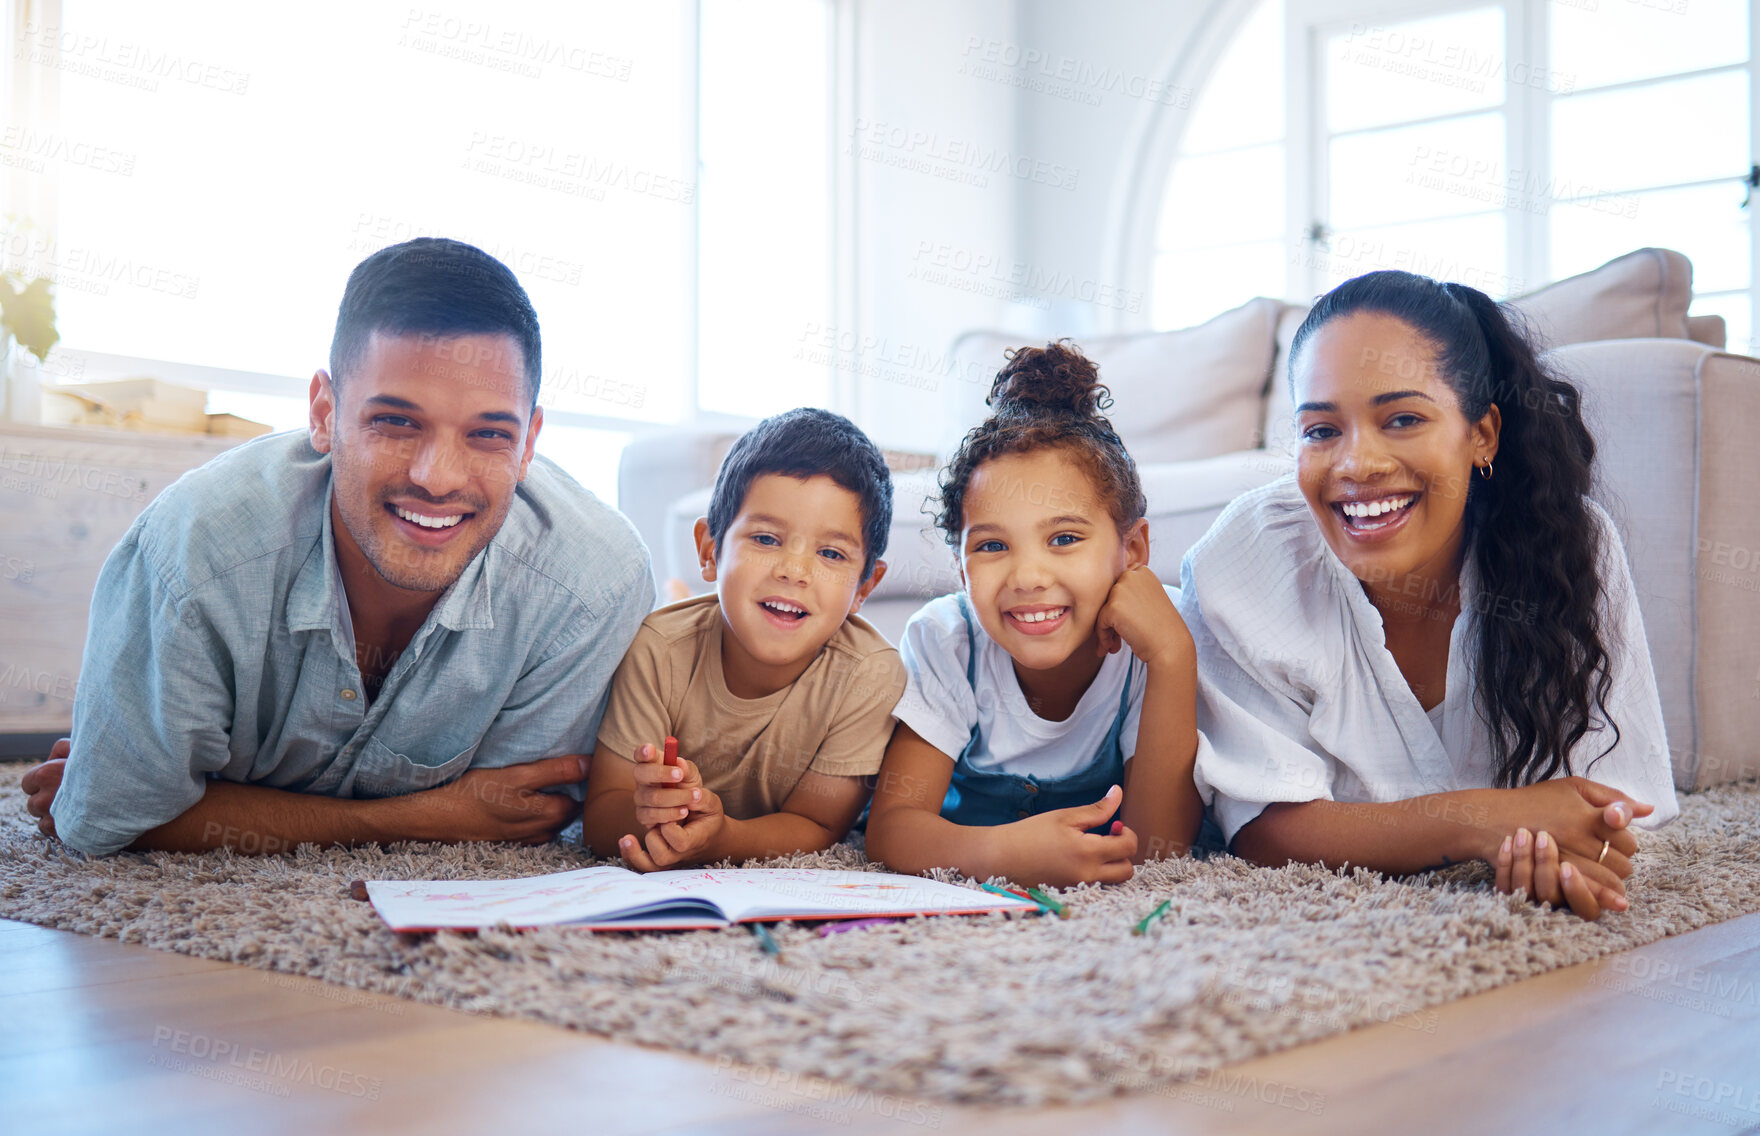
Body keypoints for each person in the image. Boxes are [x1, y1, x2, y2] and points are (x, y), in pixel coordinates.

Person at [21, 237, 653, 855]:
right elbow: (111, 819)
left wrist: (204, 798)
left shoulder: (594, 582)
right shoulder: (197, 553)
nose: (437, 477)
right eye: (397, 422)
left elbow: (520, 820)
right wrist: (431, 815)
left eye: (489, 434)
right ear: (324, 413)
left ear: (530, 442)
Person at [1178, 269, 1678, 921]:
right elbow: (1265, 830)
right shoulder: (1246, 559)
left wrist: (1577, 851)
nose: (1358, 463)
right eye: (1321, 431)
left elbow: (1614, 808)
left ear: (1482, 435)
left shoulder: (1571, 546)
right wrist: (1478, 822)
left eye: (1403, 418)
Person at [865, 342, 1207, 887]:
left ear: (1134, 550)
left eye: (1064, 538)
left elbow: (1159, 851)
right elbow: (893, 832)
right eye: (992, 547)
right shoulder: (946, 639)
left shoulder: (1156, 644)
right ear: (961, 570)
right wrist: (1007, 852)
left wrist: (1172, 655)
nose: (1026, 577)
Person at [581, 408, 904, 870]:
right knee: (672, 612)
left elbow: (818, 826)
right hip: (686, 625)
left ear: (865, 588)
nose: (794, 570)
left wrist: (721, 838)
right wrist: (648, 812)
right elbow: (599, 818)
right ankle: (676, 592)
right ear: (710, 551)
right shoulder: (657, 649)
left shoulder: (869, 675)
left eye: (831, 553)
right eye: (767, 539)